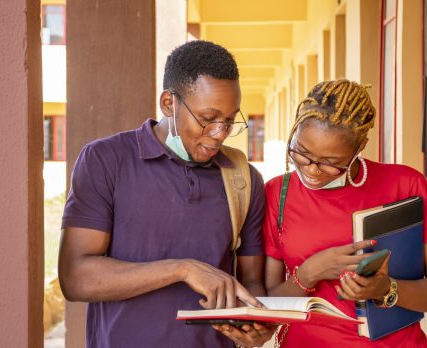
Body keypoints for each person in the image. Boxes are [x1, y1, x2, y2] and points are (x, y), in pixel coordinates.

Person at [58, 40, 274, 348]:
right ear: (168, 103)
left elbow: (252, 281)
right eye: (207, 118)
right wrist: (182, 269)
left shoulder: (243, 179)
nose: (219, 134)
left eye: (229, 120)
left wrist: (258, 324)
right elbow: (75, 278)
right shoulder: (106, 160)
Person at [263, 79, 427, 347]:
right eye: (301, 153)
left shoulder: (404, 185)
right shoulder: (278, 193)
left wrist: (388, 288)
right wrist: (310, 273)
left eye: (330, 163)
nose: (311, 171)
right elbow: (267, 304)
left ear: (360, 147)